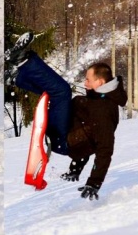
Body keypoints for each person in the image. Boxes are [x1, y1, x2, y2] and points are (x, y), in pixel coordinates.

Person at [8, 32, 128, 200]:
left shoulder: (105, 111)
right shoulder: (98, 98)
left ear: (100, 83)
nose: (85, 83)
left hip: (64, 141)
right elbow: (88, 136)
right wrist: (75, 169)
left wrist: (94, 182)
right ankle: (16, 76)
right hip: (67, 135)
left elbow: (103, 150)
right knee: (54, 91)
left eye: (88, 80)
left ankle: (23, 60)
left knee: (61, 91)